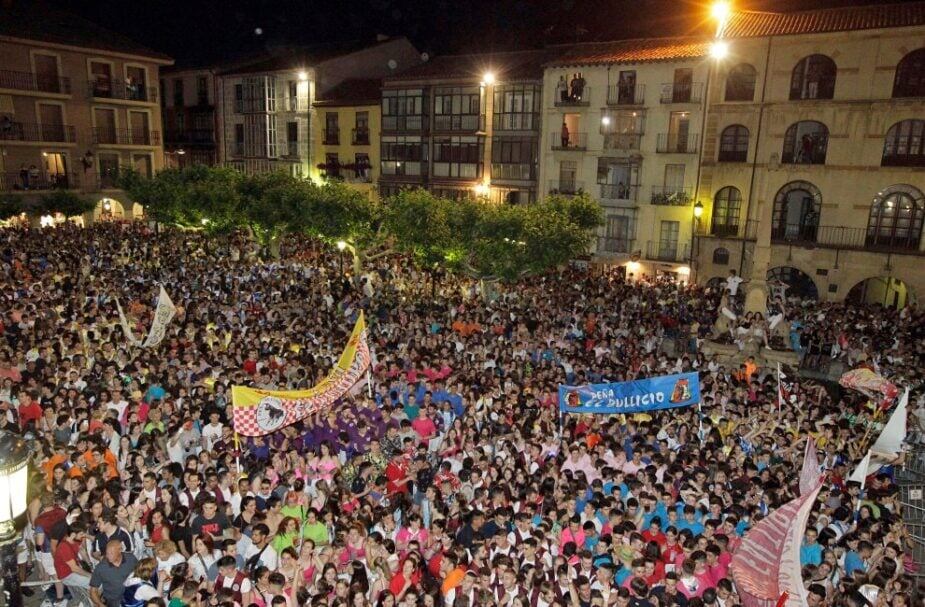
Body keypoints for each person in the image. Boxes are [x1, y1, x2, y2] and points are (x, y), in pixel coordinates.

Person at [90, 539, 138, 607]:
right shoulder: (101, 568)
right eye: (107, 553)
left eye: (111, 553)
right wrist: (100, 604)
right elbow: (93, 591)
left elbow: (140, 574)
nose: (108, 556)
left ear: (120, 550)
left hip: (133, 595)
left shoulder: (131, 559)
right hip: (114, 601)